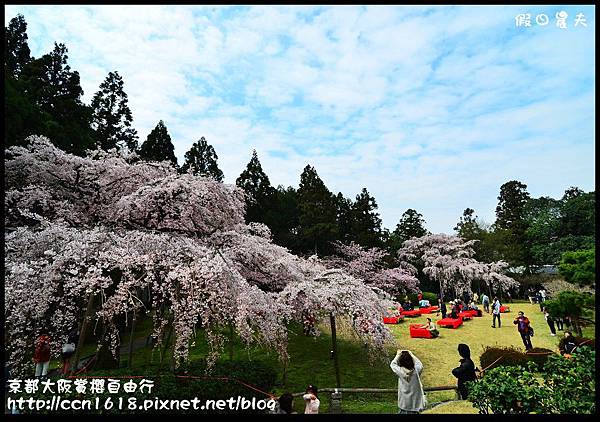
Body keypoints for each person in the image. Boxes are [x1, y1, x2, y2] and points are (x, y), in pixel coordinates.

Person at [390, 349, 426, 414]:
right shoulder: (416, 371)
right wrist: (411, 355)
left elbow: (393, 364)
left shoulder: (400, 371)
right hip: (415, 406)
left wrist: (398, 355)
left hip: (404, 405)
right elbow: (419, 364)